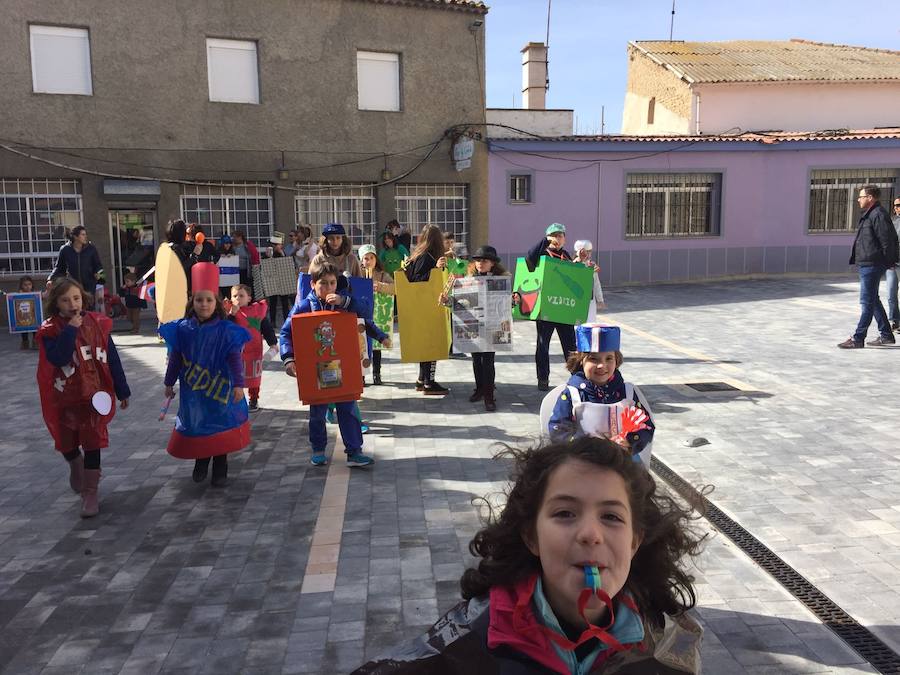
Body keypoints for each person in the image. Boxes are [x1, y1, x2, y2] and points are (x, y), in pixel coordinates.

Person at [352, 437, 703, 674]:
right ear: (531, 537)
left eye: (611, 516)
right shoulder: (473, 640)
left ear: (634, 542)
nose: (590, 534)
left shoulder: (665, 646)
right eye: (565, 513)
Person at [36, 279, 131, 518]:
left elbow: (112, 359)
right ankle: (74, 463)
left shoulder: (97, 324)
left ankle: (90, 492)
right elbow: (57, 357)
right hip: (65, 397)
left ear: (84, 298)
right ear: (56, 303)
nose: (72, 304)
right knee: (66, 443)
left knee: (93, 441)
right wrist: (70, 330)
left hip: (93, 397)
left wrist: (122, 390)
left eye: (76, 298)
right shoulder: (50, 330)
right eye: (65, 300)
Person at [280, 262, 388, 467]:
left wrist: (344, 301)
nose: (328, 288)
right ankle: (318, 448)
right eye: (323, 284)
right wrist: (289, 358)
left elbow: (366, 311)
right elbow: (287, 332)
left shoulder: (344, 303)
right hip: (315, 369)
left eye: (332, 283)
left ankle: (354, 451)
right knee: (317, 412)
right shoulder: (304, 306)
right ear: (313, 284)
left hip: (342, 366)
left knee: (348, 408)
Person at [161, 263, 251, 487]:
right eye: (199, 300)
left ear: (217, 303)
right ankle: (201, 462)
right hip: (195, 390)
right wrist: (169, 382)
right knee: (199, 423)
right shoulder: (183, 329)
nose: (204, 304)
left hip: (219, 386)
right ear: (192, 301)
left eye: (209, 300)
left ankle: (220, 467)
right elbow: (176, 356)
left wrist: (239, 384)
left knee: (220, 422)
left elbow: (234, 359)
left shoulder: (225, 330)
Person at [546, 324, 655, 467]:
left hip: (621, 459)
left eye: (608, 358)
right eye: (594, 359)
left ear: (617, 361)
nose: (601, 365)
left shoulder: (627, 392)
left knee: (638, 483)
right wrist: (585, 446)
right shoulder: (572, 394)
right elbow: (557, 428)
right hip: (583, 460)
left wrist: (630, 441)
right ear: (581, 361)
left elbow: (646, 425)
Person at [441, 245, 507, 411]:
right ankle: (479, 389)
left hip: (493, 325)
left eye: (484, 261)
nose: (480, 263)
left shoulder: (501, 279)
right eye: (477, 260)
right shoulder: (468, 279)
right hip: (473, 325)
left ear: (492, 263)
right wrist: (446, 301)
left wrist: (515, 298)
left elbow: (509, 302)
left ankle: (489, 395)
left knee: (488, 361)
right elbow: (460, 304)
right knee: (476, 359)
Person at [838, 185, 900, 348]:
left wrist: (889, 262)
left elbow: (887, 240)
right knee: (873, 300)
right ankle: (886, 334)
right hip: (867, 262)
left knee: (866, 301)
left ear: (870, 197)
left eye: (861, 196)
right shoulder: (870, 214)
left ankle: (858, 338)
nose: (858, 199)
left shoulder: (878, 214)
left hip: (873, 263)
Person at [525, 223, 577, 391]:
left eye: (560, 236)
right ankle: (543, 378)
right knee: (543, 345)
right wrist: (545, 242)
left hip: (564, 309)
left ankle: (576, 376)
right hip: (546, 309)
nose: (557, 239)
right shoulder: (542, 254)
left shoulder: (566, 256)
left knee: (570, 346)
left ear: (565, 239)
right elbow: (529, 259)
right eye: (554, 235)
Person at [405, 224, 449, 395]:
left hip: (421, 306)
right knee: (432, 345)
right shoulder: (426, 257)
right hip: (427, 307)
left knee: (426, 345)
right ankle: (429, 382)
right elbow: (418, 281)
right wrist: (436, 269)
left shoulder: (419, 255)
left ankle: (421, 379)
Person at [226, 284, 277, 413]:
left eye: (241, 296)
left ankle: (253, 399)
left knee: (254, 377)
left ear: (249, 298)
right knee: (236, 374)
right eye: (235, 296)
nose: (237, 298)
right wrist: (232, 315)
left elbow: (266, 328)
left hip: (254, 350)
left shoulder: (257, 311)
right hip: (237, 352)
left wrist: (273, 344)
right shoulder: (230, 313)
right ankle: (237, 398)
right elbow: (226, 329)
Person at [359, 244, 395, 386]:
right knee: (362, 345)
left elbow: (394, 288)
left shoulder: (382, 274)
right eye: (365, 258)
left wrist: (380, 286)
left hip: (379, 314)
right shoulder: (358, 274)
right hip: (363, 314)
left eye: (371, 258)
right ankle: (361, 376)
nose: (368, 261)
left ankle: (377, 374)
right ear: (361, 260)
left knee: (376, 346)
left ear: (376, 259)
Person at [47, 225, 105, 306]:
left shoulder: (91, 249)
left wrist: (100, 277)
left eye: (85, 234)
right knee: (75, 308)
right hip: (73, 285)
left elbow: (98, 266)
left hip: (89, 286)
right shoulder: (65, 250)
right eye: (83, 235)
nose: (86, 237)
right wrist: (51, 279)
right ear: (75, 237)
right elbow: (59, 267)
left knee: (88, 310)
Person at [262, 232, 294, 327]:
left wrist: (282, 254)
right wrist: (268, 256)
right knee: (273, 302)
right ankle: (272, 322)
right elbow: (264, 264)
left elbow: (288, 264)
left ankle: (286, 321)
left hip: (283, 281)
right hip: (272, 281)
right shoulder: (268, 253)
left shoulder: (283, 253)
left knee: (285, 303)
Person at [573, 240, 607, 323]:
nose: (587, 254)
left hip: (590, 301)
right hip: (576, 300)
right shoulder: (572, 264)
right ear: (577, 252)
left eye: (589, 252)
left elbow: (596, 283)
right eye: (585, 252)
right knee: (576, 325)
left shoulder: (592, 265)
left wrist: (600, 300)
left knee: (590, 324)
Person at [886, 197, 900, 332]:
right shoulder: (892, 221)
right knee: (891, 293)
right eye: (895, 205)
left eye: (899, 205)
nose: (896, 208)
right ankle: (895, 321)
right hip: (892, 263)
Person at [15, 276, 40, 349]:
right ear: (21, 286)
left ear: (32, 285)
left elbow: (44, 296)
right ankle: (25, 342)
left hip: (33, 315)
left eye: (29, 284)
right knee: (23, 328)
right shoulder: (18, 296)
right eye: (25, 285)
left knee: (35, 329)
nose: (27, 286)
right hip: (22, 316)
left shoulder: (35, 295)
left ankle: (35, 342)